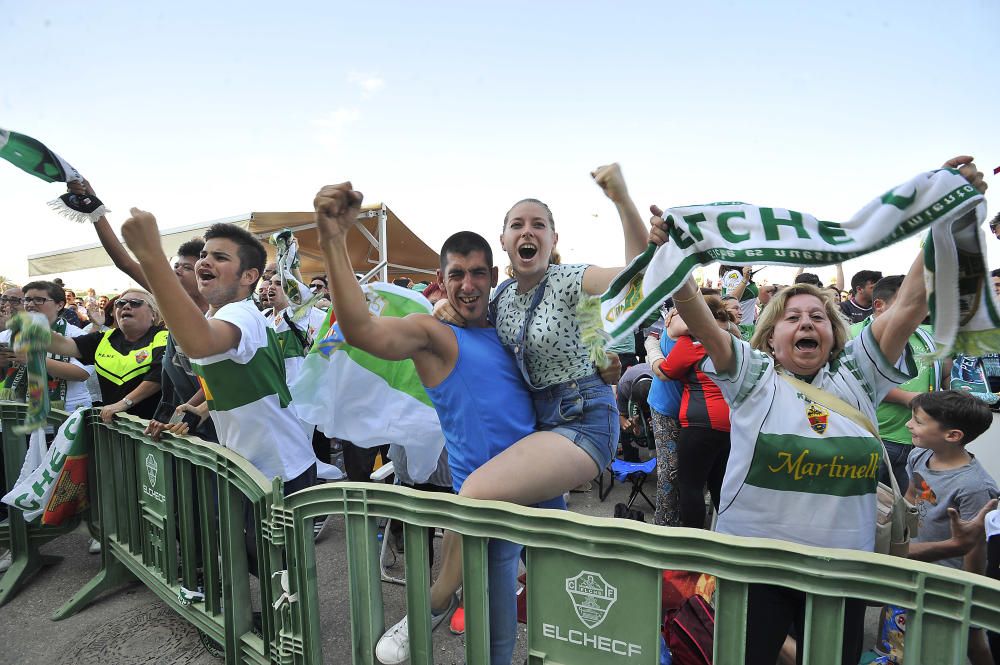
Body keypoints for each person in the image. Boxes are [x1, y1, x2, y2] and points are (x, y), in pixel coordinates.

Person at [653, 155, 987, 665]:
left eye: (817, 316)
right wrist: (674, 266)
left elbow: (913, 300)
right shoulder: (752, 376)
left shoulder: (857, 375)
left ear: (833, 333)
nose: (806, 322)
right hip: (755, 569)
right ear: (770, 335)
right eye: (792, 316)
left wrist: (943, 215)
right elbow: (700, 320)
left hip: (841, 573)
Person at [314, 180, 568, 665]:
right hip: (486, 508)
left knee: (562, 614)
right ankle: (433, 602)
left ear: (494, 275)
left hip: (544, 484)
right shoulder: (435, 333)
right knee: (494, 641)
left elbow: (573, 328)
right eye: (457, 276)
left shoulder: (508, 325)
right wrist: (332, 240)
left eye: (477, 274)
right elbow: (360, 329)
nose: (468, 285)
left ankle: (439, 599)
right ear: (441, 277)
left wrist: (604, 363)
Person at [119, 214, 318, 576]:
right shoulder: (223, 315)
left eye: (220, 257)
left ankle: (291, 632)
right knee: (260, 561)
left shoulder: (242, 316)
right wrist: (194, 410)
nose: (204, 262)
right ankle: (268, 626)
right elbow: (235, 384)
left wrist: (150, 253)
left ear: (249, 277)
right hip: (249, 466)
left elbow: (198, 341)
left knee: (283, 569)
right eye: (204, 255)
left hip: (279, 469)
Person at [895, 391, 998, 664]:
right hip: (918, 564)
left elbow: (976, 546)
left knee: (970, 639)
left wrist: (969, 594)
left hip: (953, 582)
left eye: (918, 421)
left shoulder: (975, 487)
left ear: (952, 435)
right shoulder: (919, 456)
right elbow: (911, 497)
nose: (909, 424)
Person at [849, 275, 945, 492]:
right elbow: (858, 379)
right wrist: (912, 399)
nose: (918, 309)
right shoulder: (852, 334)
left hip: (921, 443)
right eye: (909, 302)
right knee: (873, 509)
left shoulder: (928, 334)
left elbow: (947, 373)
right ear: (879, 305)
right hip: (875, 439)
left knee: (916, 507)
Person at [660, 296, 733, 529]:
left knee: (690, 486)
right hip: (729, 424)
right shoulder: (731, 339)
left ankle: (692, 547)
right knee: (719, 485)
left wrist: (653, 351)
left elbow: (667, 371)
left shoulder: (693, 342)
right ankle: (728, 539)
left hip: (699, 424)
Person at [43, 288, 167, 422]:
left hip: (152, 429)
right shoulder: (105, 338)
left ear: (153, 313)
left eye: (135, 302)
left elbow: (158, 376)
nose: (126, 306)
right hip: (113, 427)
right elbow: (64, 345)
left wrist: (123, 404)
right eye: (120, 303)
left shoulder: (163, 337)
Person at [0, 281, 94, 412]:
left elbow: (81, 374)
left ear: (60, 304)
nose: (31, 305)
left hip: (65, 414)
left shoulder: (76, 334)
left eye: (39, 300)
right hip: (16, 415)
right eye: (27, 300)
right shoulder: (8, 334)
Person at [644, 305, 684, 526]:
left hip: (692, 413)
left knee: (687, 471)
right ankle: (663, 526)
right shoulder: (678, 321)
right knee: (670, 470)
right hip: (666, 408)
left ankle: (682, 522)